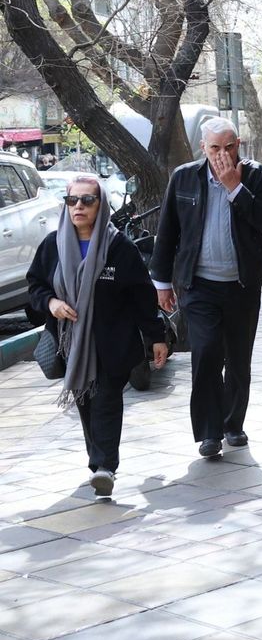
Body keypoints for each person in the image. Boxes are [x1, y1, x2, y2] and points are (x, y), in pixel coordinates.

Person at [27, 177, 168, 496]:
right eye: (72, 200)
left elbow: (142, 296)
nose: (78, 206)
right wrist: (51, 303)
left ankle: (105, 466)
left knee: (105, 400)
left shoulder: (119, 247)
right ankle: (98, 464)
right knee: (86, 404)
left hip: (113, 343)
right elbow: (35, 286)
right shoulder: (53, 245)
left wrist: (156, 336)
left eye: (87, 200)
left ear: (100, 206)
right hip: (71, 345)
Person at [150, 116, 262, 459]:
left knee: (238, 358)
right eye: (215, 148)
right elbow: (168, 231)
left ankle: (232, 424)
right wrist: (162, 283)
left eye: (229, 147)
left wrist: (235, 187)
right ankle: (209, 432)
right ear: (203, 148)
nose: (223, 154)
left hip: (242, 284)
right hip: (198, 285)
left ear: (239, 145)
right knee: (206, 352)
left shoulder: (255, 175)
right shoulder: (184, 177)